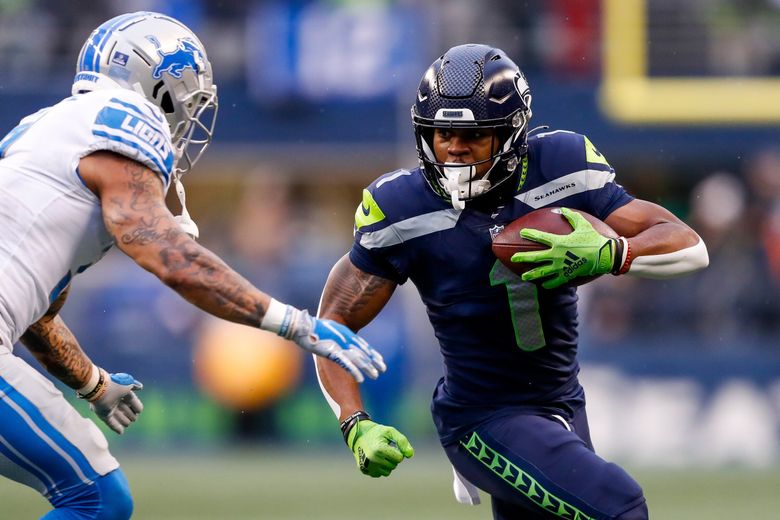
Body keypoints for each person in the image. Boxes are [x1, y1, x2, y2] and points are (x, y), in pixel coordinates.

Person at [0, 11, 385, 520]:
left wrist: (92, 382)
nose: (189, 115)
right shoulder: (123, 120)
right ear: (158, 86)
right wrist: (295, 324)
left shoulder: (45, 134)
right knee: (96, 498)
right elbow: (166, 254)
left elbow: (36, 310)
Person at [314, 44, 709, 519]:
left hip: (561, 402)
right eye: (441, 133)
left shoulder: (560, 165)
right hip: (481, 417)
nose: (454, 148)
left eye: (473, 135)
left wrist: (615, 253)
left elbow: (687, 244)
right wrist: (355, 424)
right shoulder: (403, 207)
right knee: (619, 506)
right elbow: (333, 321)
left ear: (511, 134)